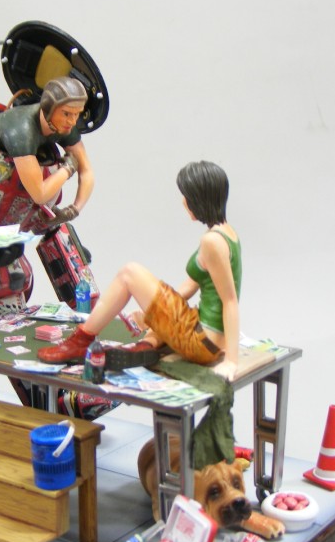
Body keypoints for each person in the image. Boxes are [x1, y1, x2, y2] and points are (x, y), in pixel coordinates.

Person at [39, 160, 241, 383]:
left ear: (200, 198)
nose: (183, 201)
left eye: (186, 195)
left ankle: (81, 341)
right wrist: (150, 312)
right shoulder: (227, 233)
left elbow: (230, 301)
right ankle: (146, 347)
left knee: (129, 273)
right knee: (158, 318)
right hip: (207, 336)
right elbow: (191, 285)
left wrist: (232, 361)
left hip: (202, 343)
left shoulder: (212, 242)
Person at [0, 76, 95, 224]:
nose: (72, 121)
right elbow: (40, 195)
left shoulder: (64, 125)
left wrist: (73, 210)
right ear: (48, 109)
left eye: (77, 114)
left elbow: (86, 171)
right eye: (66, 113)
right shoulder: (22, 131)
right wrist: (68, 169)